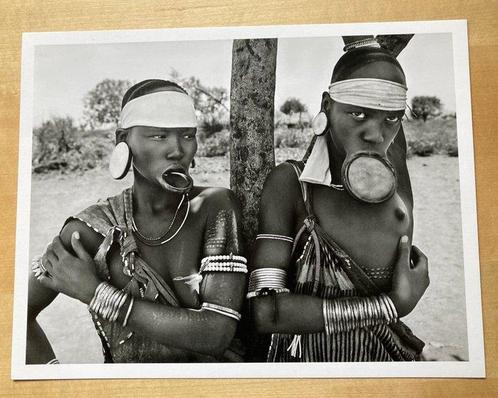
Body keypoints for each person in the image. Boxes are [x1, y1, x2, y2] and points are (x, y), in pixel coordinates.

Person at [27, 79, 246, 363]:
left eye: (187, 135)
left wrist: (94, 293)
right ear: (123, 140)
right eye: (159, 136)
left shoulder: (214, 207)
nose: (177, 150)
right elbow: (13, 317)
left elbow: (216, 333)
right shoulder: (91, 231)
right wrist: (55, 385)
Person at [249, 40, 430, 361]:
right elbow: (267, 311)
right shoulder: (291, 185)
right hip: (307, 365)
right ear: (326, 105)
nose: (375, 134)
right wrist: (392, 306)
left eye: (391, 119)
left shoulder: (395, 169)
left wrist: (363, 44)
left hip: (388, 361)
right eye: (358, 113)